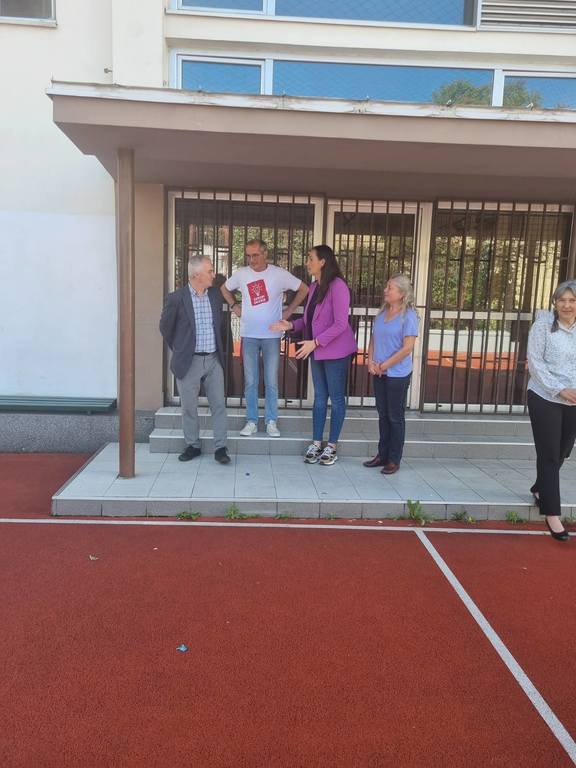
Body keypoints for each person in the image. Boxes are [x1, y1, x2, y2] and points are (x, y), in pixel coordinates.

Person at [270, 245, 356, 466]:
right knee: (319, 398)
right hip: (317, 350)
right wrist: (290, 325)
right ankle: (317, 443)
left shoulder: (338, 286)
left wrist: (315, 343)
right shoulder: (315, 286)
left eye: (310, 258)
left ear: (323, 262)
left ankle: (332, 446)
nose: (307, 262)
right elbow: (309, 321)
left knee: (336, 399)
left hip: (334, 352)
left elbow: (340, 324)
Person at [220, 239, 308, 437]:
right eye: (248, 256)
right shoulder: (242, 274)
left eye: (255, 255)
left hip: (271, 336)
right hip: (249, 335)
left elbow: (304, 288)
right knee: (250, 382)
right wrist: (234, 306)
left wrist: (289, 311)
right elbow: (224, 288)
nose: (251, 260)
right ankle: (251, 421)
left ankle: (271, 421)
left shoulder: (279, 274)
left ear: (265, 253)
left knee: (271, 381)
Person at [159, 255, 230, 464]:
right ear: (196, 275)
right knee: (189, 407)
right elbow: (165, 328)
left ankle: (221, 448)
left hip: (213, 360)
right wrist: (181, 349)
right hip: (189, 362)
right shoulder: (176, 298)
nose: (213, 275)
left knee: (219, 404)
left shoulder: (215, 296)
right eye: (210, 271)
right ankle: (193, 445)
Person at [527, 279, 576, 541]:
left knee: (562, 451)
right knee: (548, 454)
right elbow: (535, 363)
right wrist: (559, 389)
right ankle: (552, 513)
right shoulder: (543, 326)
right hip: (544, 396)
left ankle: (540, 487)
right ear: (555, 303)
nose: (567, 305)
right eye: (562, 300)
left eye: (572, 300)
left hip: (574, 401)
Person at [363, 274, 419, 475]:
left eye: (390, 288)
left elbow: (407, 348)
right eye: (386, 287)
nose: (385, 290)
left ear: (402, 293)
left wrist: (385, 365)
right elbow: (373, 339)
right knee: (383, 415)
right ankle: (382, 454)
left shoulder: (408, 316)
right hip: (379, 371)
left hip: (397, 374)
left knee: (395, 417)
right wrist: (370, 360)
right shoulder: (382, 313)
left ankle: (394, 459)